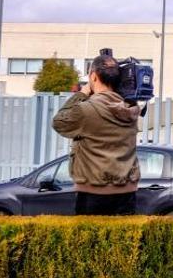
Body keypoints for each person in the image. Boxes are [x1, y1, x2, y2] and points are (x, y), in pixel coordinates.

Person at [52, 53, 141, 215]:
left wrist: (82, 93)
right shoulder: (131, 107)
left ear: (93, 76)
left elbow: (58, 122)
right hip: (127, 192)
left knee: (92, 239)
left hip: (93, 193)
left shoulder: (86, 110)